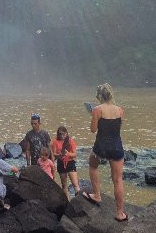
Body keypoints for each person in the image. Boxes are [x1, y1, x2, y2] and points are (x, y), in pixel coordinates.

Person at [82, 83, 128, 222]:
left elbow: (93, 129)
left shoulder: (97, 109)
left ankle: (97, 195)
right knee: (118, 180)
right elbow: (117, 127)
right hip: (116, 146)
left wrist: (92, 115)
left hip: (101, 146)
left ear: (99, 96)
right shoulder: (120, 110)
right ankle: (120, 213)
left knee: (92, 165)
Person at [52, 125, 80, 198]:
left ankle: (79, 199)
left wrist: (68, 153)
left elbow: (75, 154)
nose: (62, 136)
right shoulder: (55, 141)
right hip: (61, 162)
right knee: (64, 184)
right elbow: (54, 154)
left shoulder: (70, 141)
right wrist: (60, 155)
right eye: (60, 134)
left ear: (66, 133)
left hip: (70, 162)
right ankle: (67, 201)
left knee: (75, 184)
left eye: (63, 134)